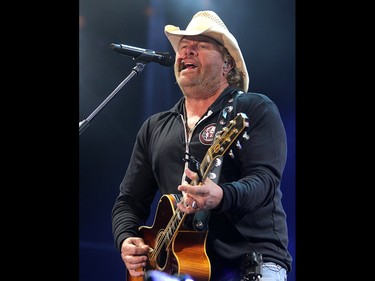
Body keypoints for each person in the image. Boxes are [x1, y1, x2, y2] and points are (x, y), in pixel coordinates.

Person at [111, 10, 293, 281]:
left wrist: (221, 195)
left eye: (200, 45)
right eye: (183, 47)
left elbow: (265, 181)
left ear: (227, 65)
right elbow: (129, 200)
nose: (187, 52)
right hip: (177, 268)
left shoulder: (252, 108)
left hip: (248, 262)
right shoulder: (155, 126)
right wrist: (126, 239)